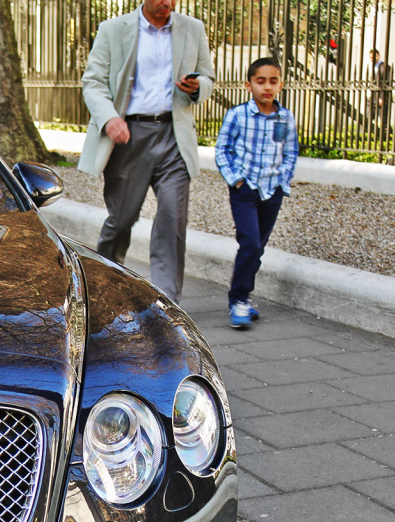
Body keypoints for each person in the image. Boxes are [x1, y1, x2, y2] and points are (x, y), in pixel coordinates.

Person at [78, 0, 214, 303]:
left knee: (172, 219)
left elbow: (207, 77)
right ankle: (105, 284)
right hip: (129, 136)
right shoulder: (113, 30)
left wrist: (196, 87)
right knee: (122, 219)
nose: (167, 3)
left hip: (174, 135)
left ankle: (167, 304)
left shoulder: (193, 29)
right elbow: (93, 82)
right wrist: (110, 118)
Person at [214, 57, 297, 330]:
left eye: (273, 81)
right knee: (249, 242)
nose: (267, 87)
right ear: (248, 85)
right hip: (245, 190)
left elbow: (290, 151)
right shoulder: (237, 115)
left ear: (281, 84)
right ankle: (237, 299)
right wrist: (235, 180)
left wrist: (283, 181)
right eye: (260, 81)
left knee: (257, 248)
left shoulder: (285, 117)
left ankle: (244, 300)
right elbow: (222, 149)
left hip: (272, 191)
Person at [368, 49, 390, 132]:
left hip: (381, 97)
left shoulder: (384, 67)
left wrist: (382, 97)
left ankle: (387, 133)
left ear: (378, 56)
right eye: (370, 57)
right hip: (373, 96)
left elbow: (386, 83)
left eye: (373, 57)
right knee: (369, 115)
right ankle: (369, 131)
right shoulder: (373, 66)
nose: (372, 59)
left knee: (383, 118)